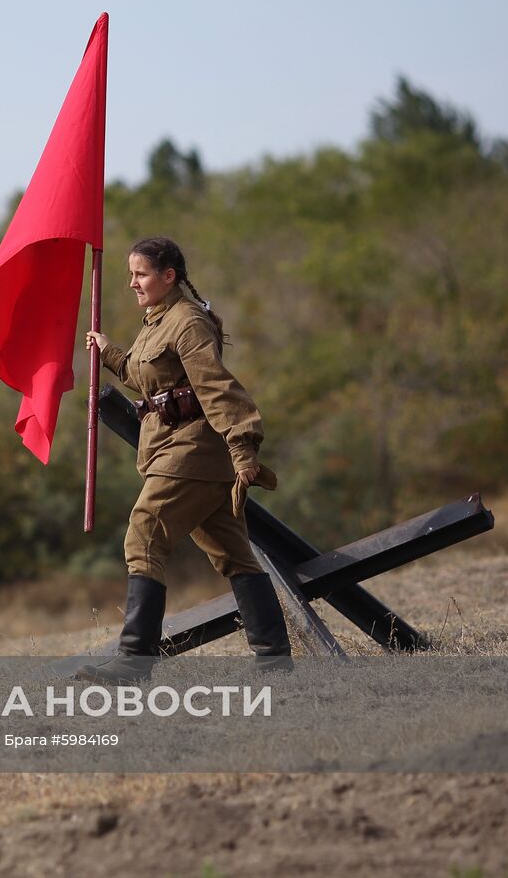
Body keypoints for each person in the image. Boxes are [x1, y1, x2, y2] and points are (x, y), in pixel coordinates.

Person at [76, 235, 291, 681]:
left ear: (168, 275)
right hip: (175, 450)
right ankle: (275, 661)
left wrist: (243, 448)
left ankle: (134, 662)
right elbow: (147, 377)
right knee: (235, 555)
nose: (132, 283)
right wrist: (108, 351)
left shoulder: (188, 322)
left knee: (143, 536)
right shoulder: (157, 320)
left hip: (192, 452)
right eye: (131, 274)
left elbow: (217, 389)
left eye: (140, 274)